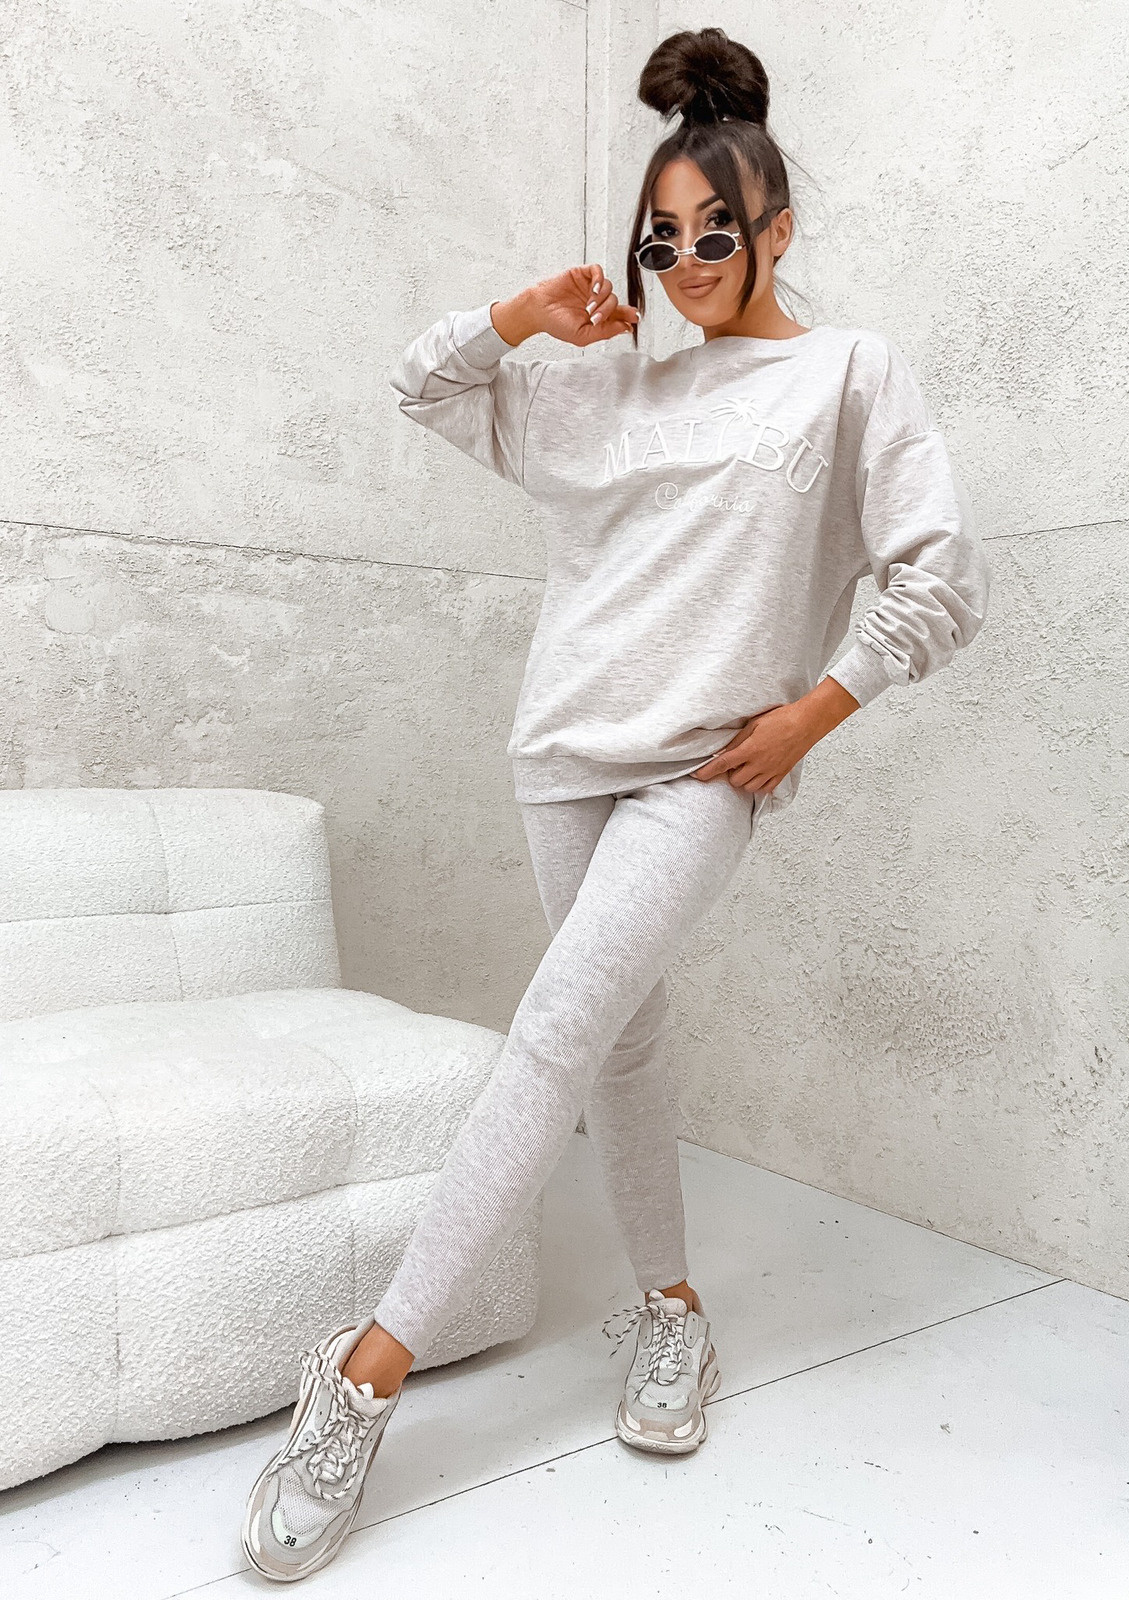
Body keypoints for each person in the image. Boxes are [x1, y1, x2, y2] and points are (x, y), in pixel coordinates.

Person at [241, 24, 991, 1583]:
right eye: (665, 238)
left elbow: (939, 576)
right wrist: (521, 314)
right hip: (560, 756)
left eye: (719, 233)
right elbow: (422, 382)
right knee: (621, 1037)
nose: (690, 261)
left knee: (556, 1033)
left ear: (778, 228)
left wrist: (815, 710)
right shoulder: (603, 391)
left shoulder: (848, 374)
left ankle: (363, 1374)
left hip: (702, 772)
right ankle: (672, 1311)